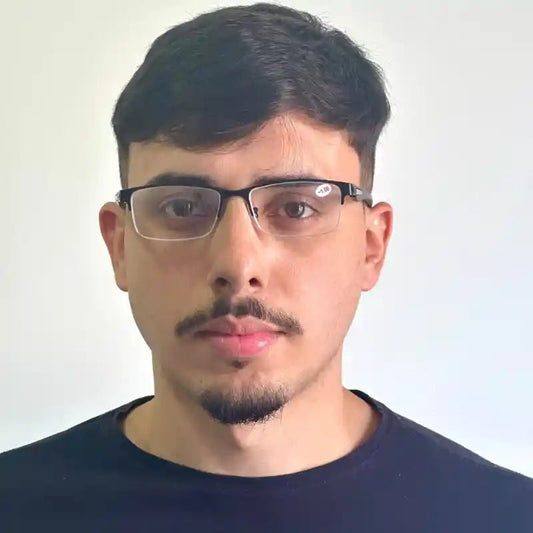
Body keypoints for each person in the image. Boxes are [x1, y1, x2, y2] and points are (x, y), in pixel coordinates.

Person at [1, 3, 531, 531]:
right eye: (182, 207)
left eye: (296, 208)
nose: (238, 263)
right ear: (119, 246)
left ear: (372, 246)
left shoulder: (503, 517)